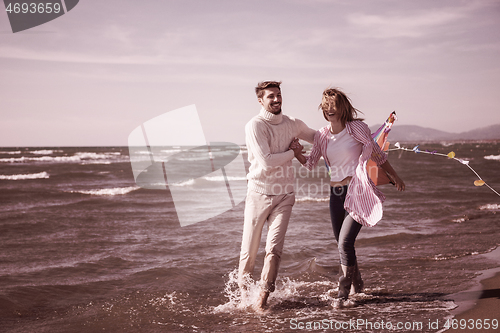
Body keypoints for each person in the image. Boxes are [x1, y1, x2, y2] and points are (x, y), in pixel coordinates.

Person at [290, 87, 405, 308]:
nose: (330, 109)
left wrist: (394, 175)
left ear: (342, 108)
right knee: (343, 244)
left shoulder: (356, 129)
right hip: (336, 194)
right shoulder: (322, 136)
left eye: (333, 104)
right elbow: (311, 163)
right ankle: (358, 284)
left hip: (357, 189)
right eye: (326, 105)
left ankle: (343, 292)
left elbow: (376, 154)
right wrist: (297, 153)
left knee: (344, 242)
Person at [238, 81, 316, 312]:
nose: (276, 99)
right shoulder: (255, 125)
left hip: (285, 195)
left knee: (274, 250)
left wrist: (352, 135)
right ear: (261, 100)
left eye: (279, 95)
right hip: (258, 193)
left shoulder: (292, 124)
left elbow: (319, 138)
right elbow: (267, 161)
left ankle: (262, 299)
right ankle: (243, 299)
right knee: (249, 251)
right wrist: (294, 151)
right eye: (271, 96)